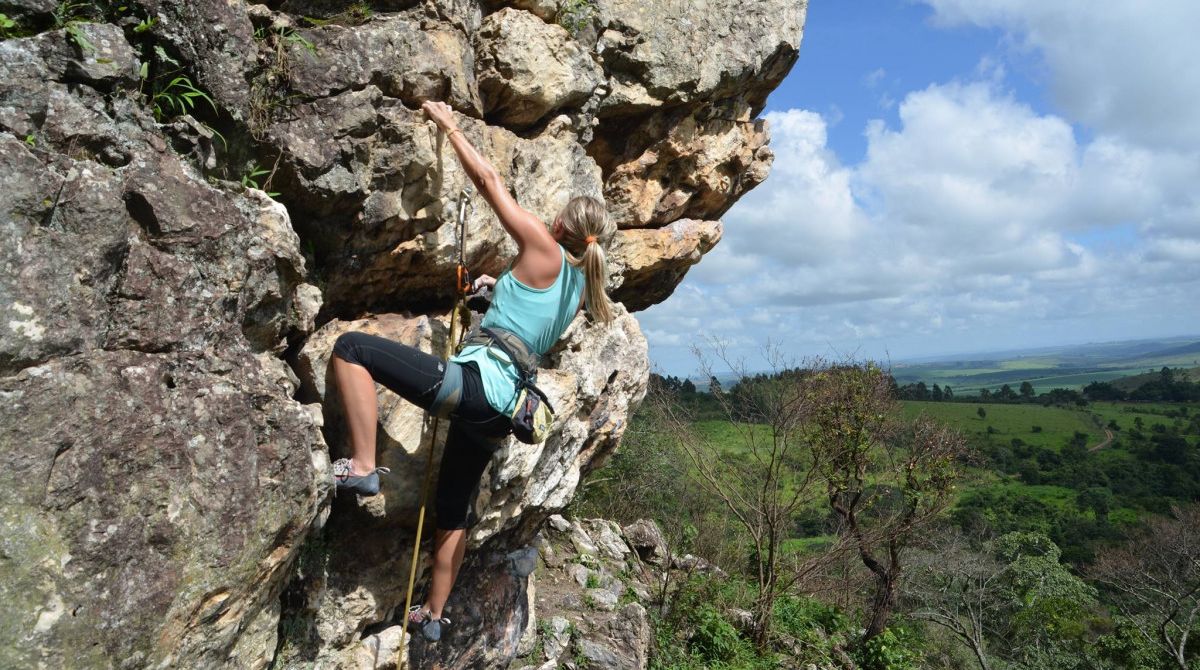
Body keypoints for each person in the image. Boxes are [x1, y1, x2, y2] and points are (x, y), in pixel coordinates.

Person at [327, 100, 617, 641]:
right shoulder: (577, 290)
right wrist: (490, 295)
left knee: (351, 349)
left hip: (477, 386)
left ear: (561, 225)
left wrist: (449, 124)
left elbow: (486, 181)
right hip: (501, 413)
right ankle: (433, 617)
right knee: (452, 511)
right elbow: (522, 326)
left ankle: (363, 464)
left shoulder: (541, 243)